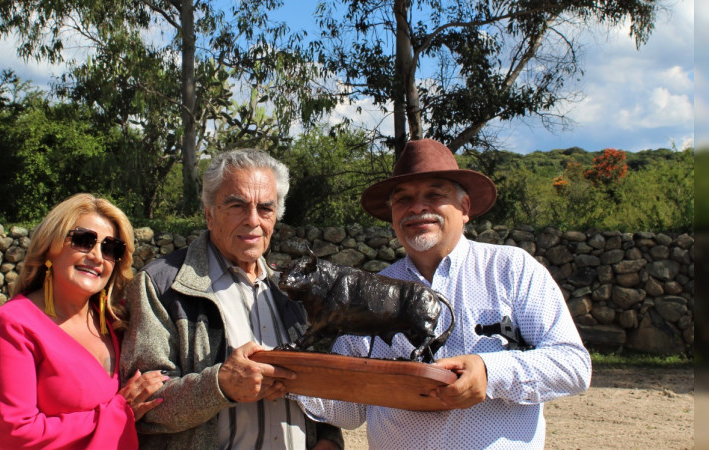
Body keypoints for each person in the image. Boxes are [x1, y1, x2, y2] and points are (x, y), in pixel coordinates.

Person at [297, 139, 592, 449]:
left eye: (434, 195)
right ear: (392, 213)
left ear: (464, 208)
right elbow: (349, 409)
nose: (417, 207)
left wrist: (489, 372)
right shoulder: (370, 291)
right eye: (403, 199)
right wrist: (290, 380)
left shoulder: (510, 269)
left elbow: (572, 366)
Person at [119, 149, 343, 449]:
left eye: (265, 208)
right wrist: (220, 385)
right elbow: (144, 407)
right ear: (209, 214)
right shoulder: (163, 285)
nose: (253, 220)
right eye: (237, 205)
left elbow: (320, 385)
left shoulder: (291, 293)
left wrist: (329, 439)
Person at [0, 193, 168, 449]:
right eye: (83, 240)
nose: (97, 257)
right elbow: (17, 435)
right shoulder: (12, 326)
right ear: (49, 246)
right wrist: (120, 411)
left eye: (111, 248)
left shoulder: (115, 322)